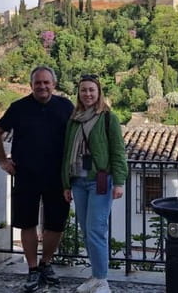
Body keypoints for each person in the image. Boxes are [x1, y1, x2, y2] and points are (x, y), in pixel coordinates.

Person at [0, 65, 74, 292]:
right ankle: (33, 268)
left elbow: (79, 134)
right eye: (38, 82)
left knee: (56, 224)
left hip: (57, 176)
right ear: (31, 85)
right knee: (27, 223)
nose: (42, 86)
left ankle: (46, 264)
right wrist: (2, 161)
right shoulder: (18, 108)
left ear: (53, 84)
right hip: (26, 175)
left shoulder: (66, 106)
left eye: (46, 82)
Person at [61, 75, 128, 293]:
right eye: (83, 90)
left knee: (96, 229)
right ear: (78, 93)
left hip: (100, 180)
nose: (87, 94)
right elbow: (66, 153)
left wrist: (119, 182)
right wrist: (66, 184)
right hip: (78, 181)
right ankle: (95, 275)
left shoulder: (108, 118)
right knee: (86, 231)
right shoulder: (74, 119)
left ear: (98, 92)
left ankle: (102, 280)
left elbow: (118, 151)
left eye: (91, 90)